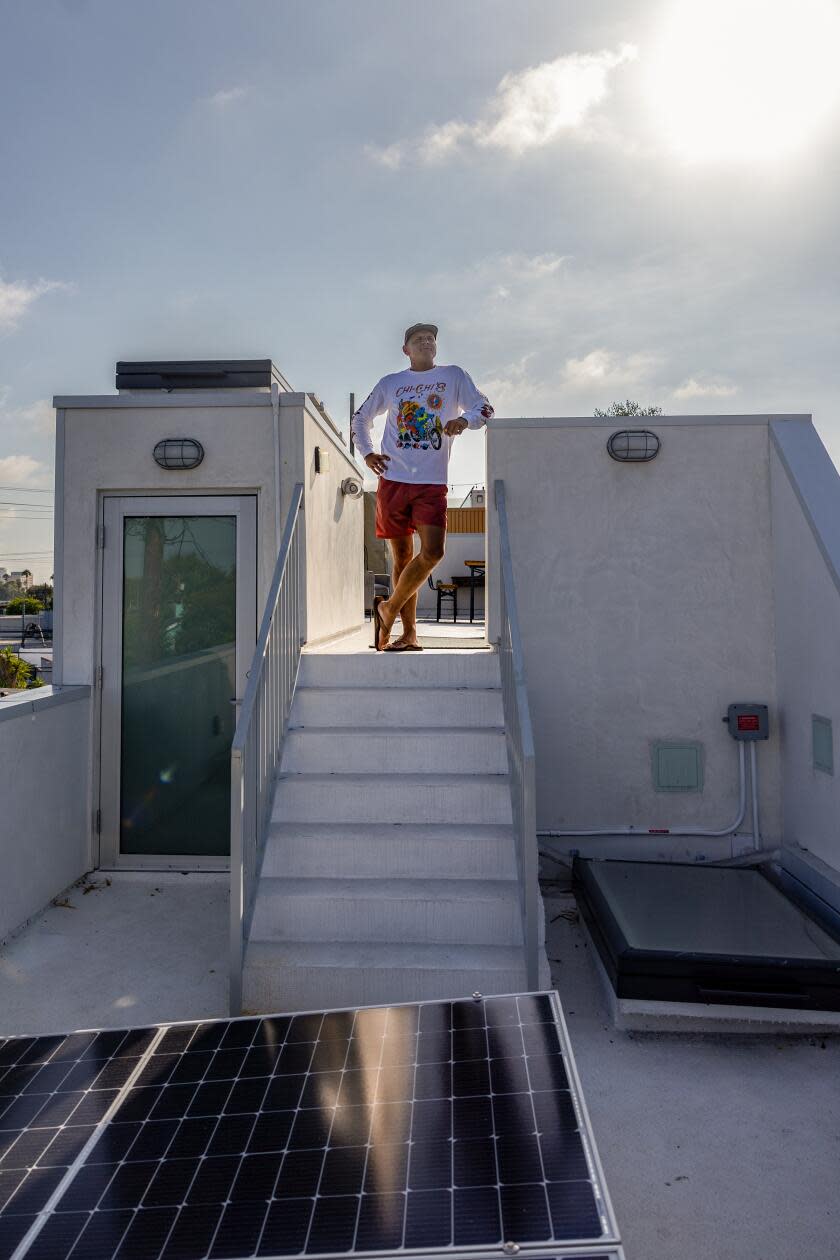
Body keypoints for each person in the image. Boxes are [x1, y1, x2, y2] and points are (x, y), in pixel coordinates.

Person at [351, 323, 494, 651]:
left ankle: (387, 609)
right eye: (418, 339)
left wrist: (464, 421)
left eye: (431, 338)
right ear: (406, 350)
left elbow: (484, 408)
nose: (426, 341)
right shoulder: (392, 383)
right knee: (402, 559)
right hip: (393, 480)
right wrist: (368, 453)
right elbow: (360, 418)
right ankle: (409, 634)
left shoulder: (454, 375)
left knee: (433, 552)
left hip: (431, 480)